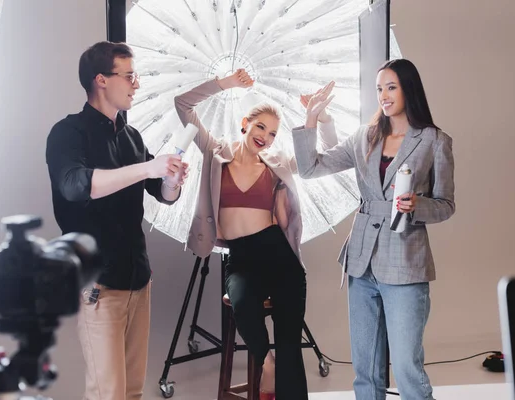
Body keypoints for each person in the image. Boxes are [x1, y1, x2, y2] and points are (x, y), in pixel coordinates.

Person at [292, 59, 456, 400]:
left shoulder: (434, 141)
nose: (383, 95)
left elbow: (446, 205)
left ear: (408, 89)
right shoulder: (364, 136)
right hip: (361, 261)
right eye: (379, 88)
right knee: (365, 371)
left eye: (391, 87)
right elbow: (309, 168)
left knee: (408, 367)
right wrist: (312, 117)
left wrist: (417, 205)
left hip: (406, 262)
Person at [174, 69, 338, 400]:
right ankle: (267, 363)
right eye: (260, 126)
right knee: (244, 304)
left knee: (290, 343)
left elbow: (329, 156)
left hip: (279, 254)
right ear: (245, 123)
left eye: (273, 133)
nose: (265, 136)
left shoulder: (277, 162)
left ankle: (283, 374)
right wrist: (226, 84)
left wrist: (320, 118)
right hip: (242, 258)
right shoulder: (216, 151)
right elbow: (182, 105)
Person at [45, 41, 189, 400]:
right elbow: (75, 186)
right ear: (101, 80)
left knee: (133, 392)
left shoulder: (131, 136)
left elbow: (164, 194)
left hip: (139, 280)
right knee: (108, 393)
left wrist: (171, 179)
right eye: (129, 76)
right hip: (98, 285)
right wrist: (147, 167)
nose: (135, 84)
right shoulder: (67, 133)